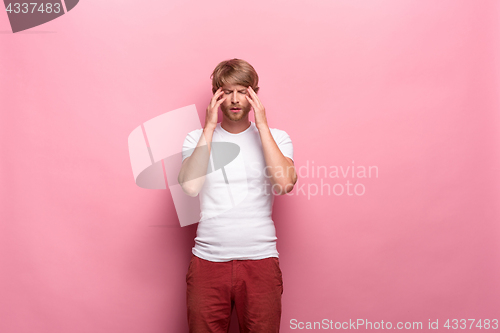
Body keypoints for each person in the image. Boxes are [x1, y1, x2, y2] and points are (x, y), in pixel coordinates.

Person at [178, 58, 297, 333]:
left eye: (243, 91)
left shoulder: (277, 138)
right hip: (207, 261)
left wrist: (262, 125)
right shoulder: (195, 138)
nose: (234, 99)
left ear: (254, 94)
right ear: (216, 95)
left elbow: (284, 183)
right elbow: (190, 187)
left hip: (261, 261)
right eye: (227, 91)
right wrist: (208, 128)